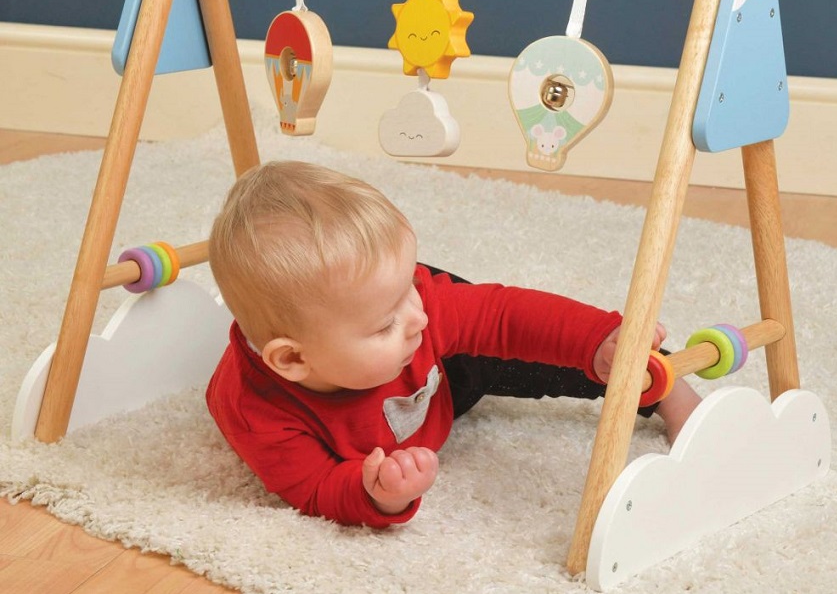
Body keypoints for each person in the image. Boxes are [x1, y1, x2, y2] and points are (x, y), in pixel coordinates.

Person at [206, 160, 700, 528]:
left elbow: (506, 316)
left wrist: (599, 339)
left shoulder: (421, 310)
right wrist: (377, 494)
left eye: (409, 291)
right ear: (293, 358)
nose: (416, 317)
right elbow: (312, 487)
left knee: (556, 354)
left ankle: (666, 391)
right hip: (407, 410)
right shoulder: (257, 413)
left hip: (445, 371)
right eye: (384, 324)